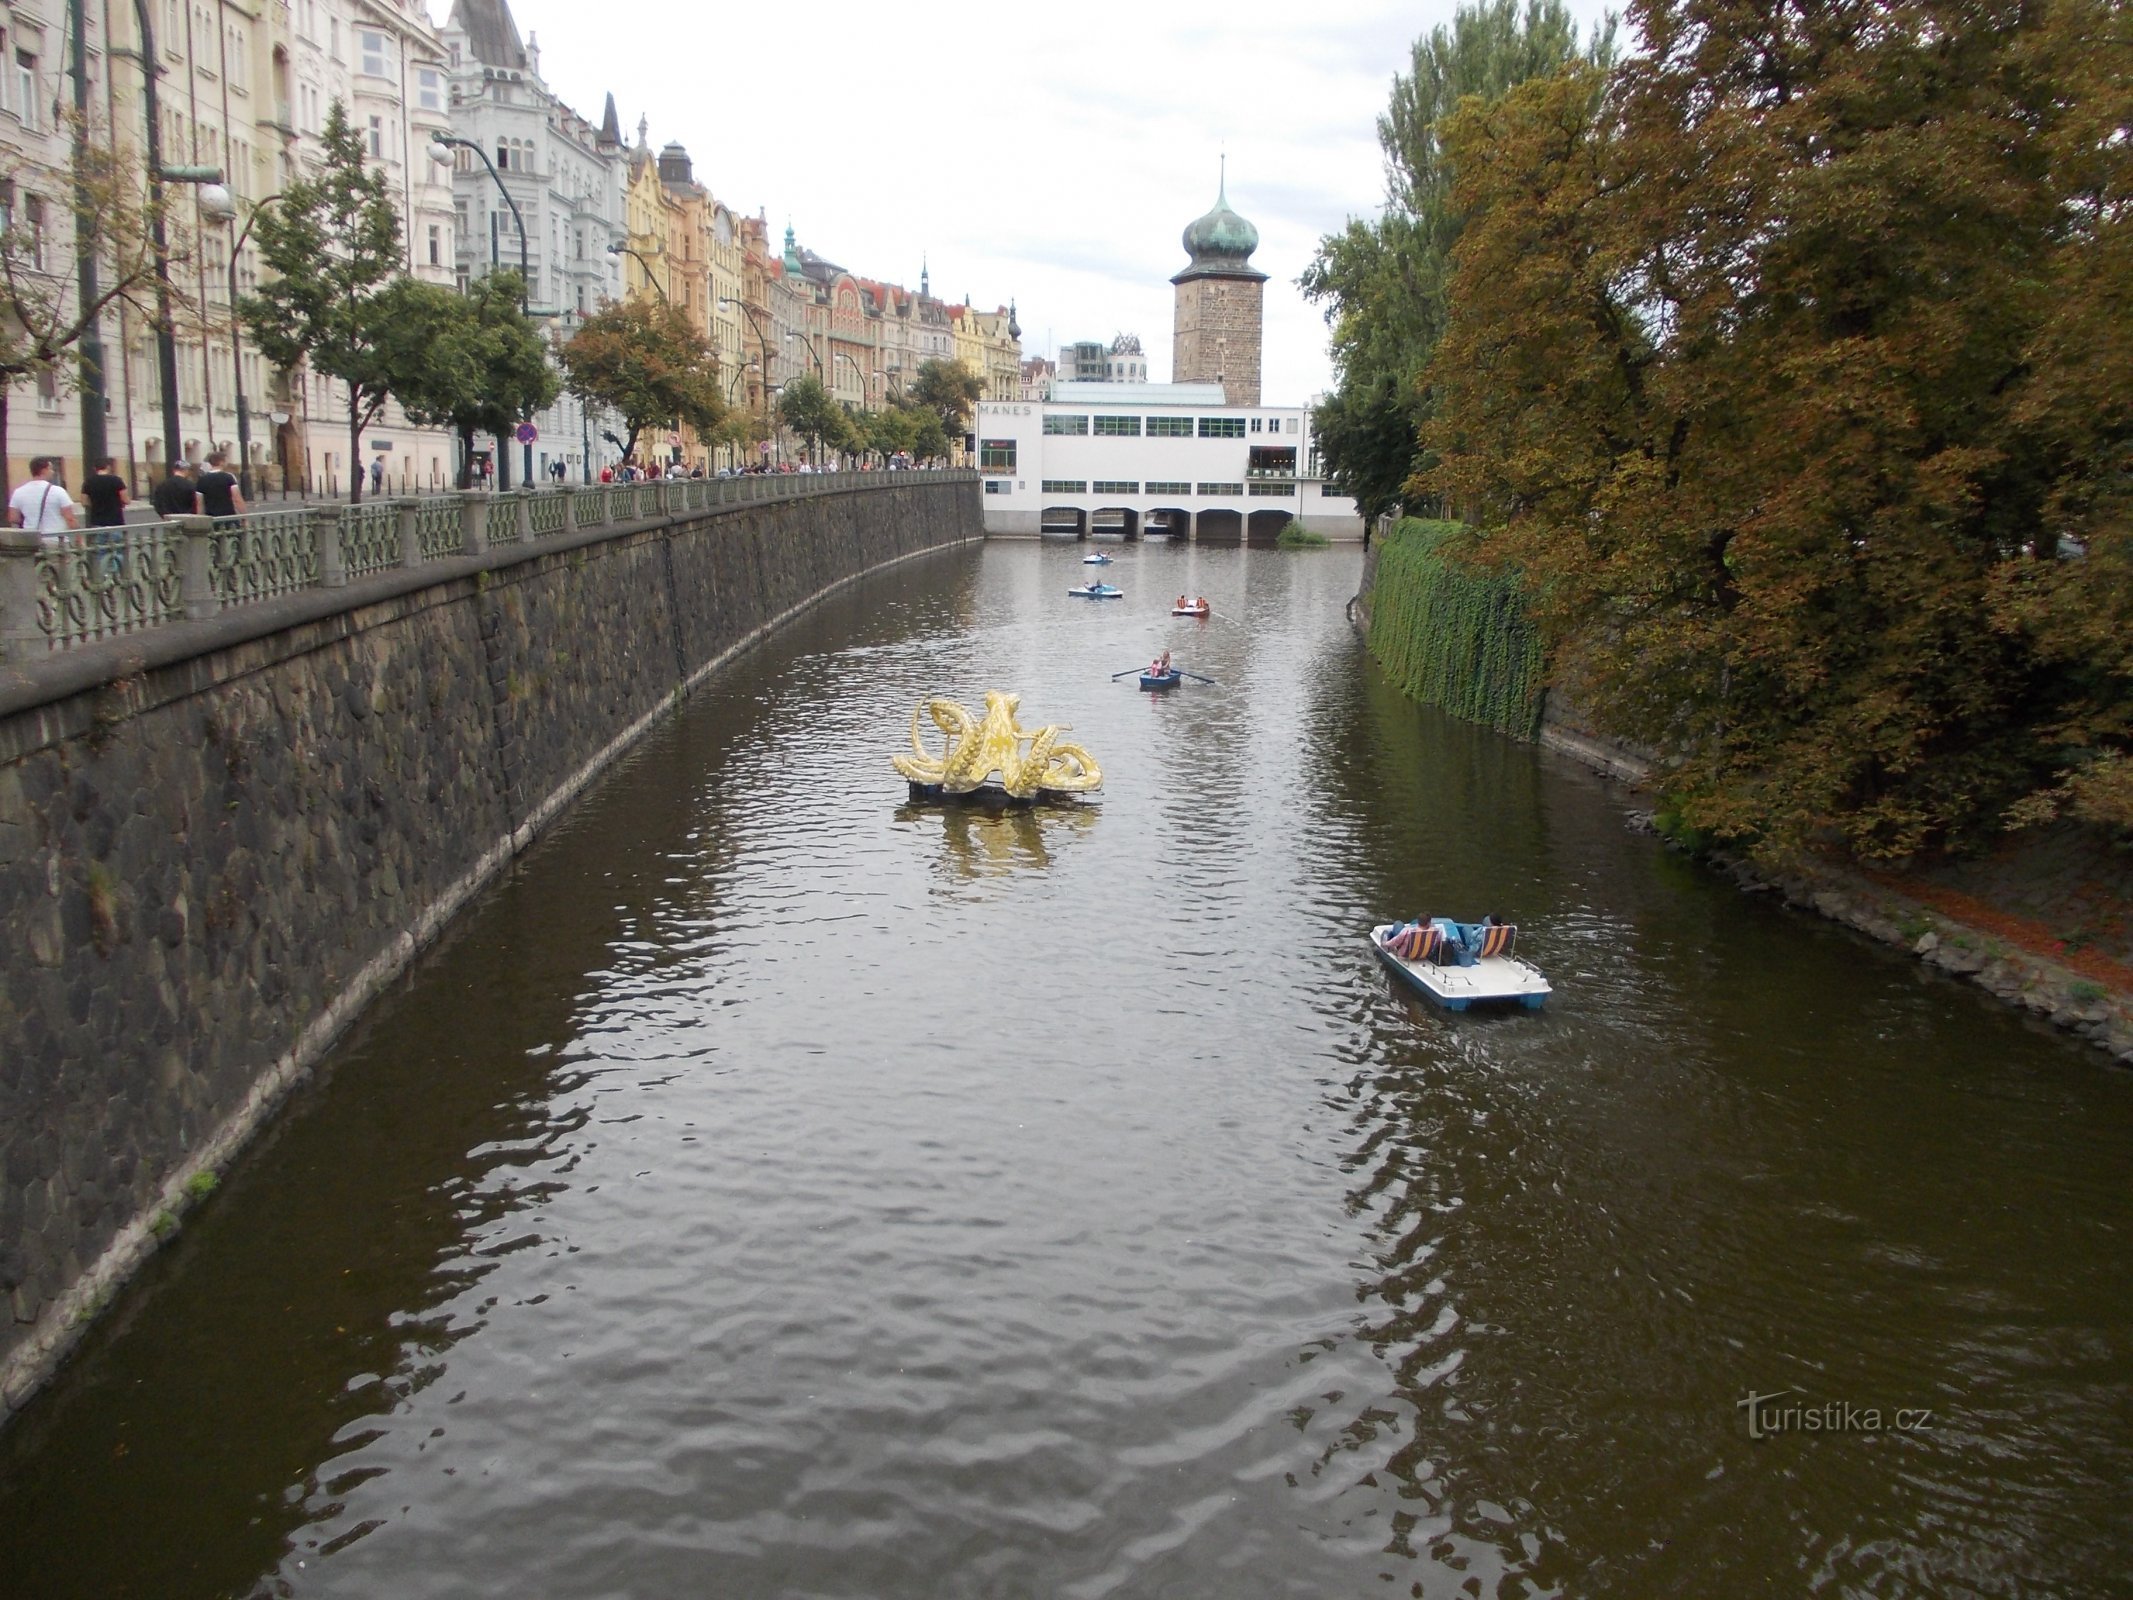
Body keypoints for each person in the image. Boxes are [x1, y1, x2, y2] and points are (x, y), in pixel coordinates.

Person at [8, 456, 80, 542]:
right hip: (55, 539)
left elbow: (13, 518)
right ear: (44, 470)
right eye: (51, 469)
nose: (53, 472)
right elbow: (70, 518)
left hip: (32, 541)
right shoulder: (58, 491)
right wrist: (79, 539)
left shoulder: (19, 492)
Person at [195, 451, 244, 523]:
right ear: (221, 462)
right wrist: (244, 517)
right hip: (228, 517)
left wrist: (199, 519)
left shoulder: (202, 480)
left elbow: (199, 503)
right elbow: (237, 498)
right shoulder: (229, 477)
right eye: (226, 461)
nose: (227, 463)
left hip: (211, 518)